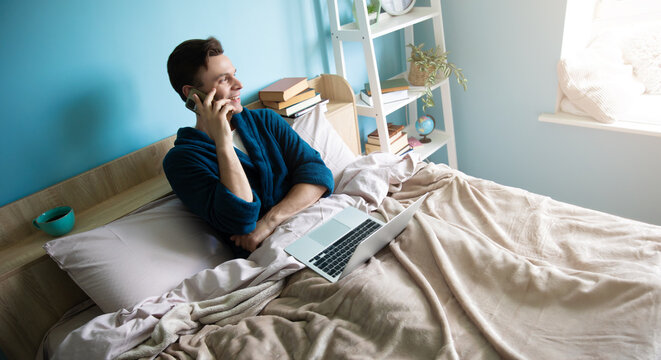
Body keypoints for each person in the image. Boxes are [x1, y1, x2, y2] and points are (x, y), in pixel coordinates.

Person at [164, 37, 334, 257]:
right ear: (193, 94)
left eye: (235, 74)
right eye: (225, 80)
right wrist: (223, 142)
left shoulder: (266, 120)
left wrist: (267, 223)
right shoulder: (182, 161)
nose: (239, 85)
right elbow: (241, 219)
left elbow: (319, 175)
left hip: (318, 221)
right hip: (277, 252)